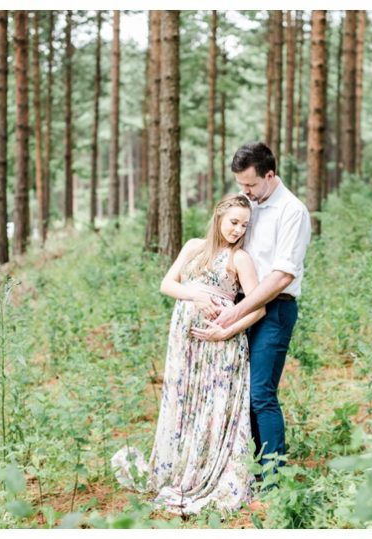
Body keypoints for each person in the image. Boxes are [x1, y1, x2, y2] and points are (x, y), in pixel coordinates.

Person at [111, 194, 265, 516]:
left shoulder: (240, 259)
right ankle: (181, 467)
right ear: (218, 216)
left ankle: (210, 472)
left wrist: (227, 331)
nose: (238, 230)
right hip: (186, 341)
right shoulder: (194, 247)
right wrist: (195, 295)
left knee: (213, 405)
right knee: (185, 400)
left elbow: (258, 308)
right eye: (233, 222)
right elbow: (167, 284)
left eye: (244, 225)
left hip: (221, 343)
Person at [214, 142, 311, 470]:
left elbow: (282, 275)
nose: (246, 191)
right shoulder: (248, 204)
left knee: (260, 394)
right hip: (240, 304)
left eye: (251, 184)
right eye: (241, 184)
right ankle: (248, 472)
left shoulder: (292, 211)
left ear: (270, 175)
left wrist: (238, 311)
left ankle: (273, 480)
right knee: (239, 392)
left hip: (275, 309)